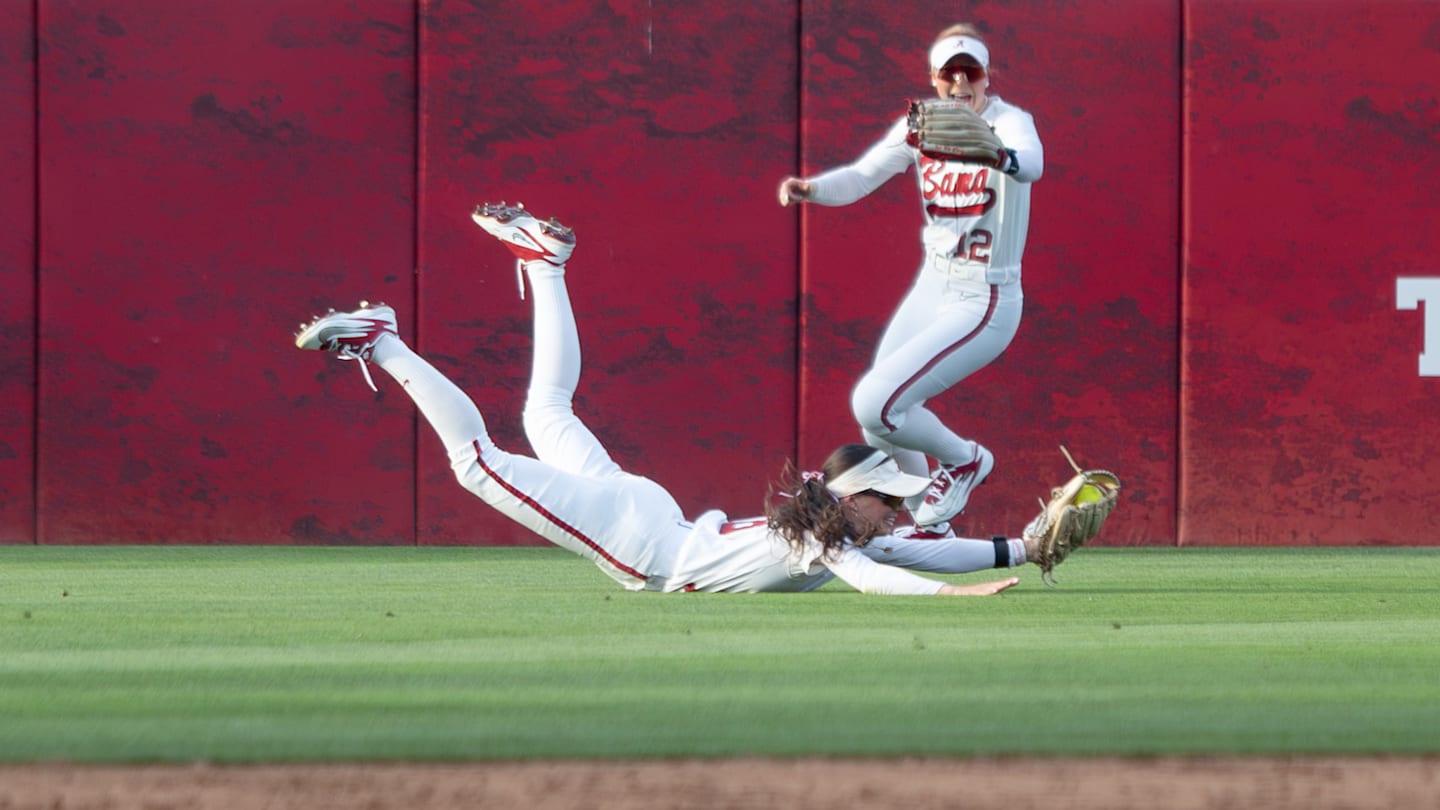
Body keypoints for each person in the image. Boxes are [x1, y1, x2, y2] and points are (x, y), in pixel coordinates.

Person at [294, 202, 1058, 596]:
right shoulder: (824, 539)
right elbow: (878, 578)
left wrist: (1026, 548)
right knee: (477, 463)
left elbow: (929, 548)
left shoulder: (841, 530)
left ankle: (546, 264)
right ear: (852, 496)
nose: (895, 512)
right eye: (886, 500)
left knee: (547, 411)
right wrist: (955, 597)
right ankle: (383, 341)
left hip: (658, 522)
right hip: (644, 541)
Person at [777, 23, 1044, 537]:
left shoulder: (1008, 121)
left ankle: (965, 460)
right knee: (877, 423)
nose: (961, 83)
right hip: (933, 284)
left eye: (971, 72)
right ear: (933, 78)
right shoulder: (921, 124)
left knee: (875, 402)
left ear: (987, 76)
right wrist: (812, 189)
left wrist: (1001, 156)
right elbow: (861, 176)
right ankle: (929, 523)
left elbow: (1032, 164)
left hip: (984, 294)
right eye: (950, 73)